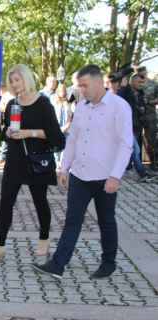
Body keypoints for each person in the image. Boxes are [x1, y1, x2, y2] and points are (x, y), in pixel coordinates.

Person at [31, 64, 133, 280]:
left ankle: (108, 263)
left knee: (106, 220)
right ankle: (58, 264)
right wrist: (65, 167)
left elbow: (126, 144)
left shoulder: (119, 106)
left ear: (98, 82)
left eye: (85, 85)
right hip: (80, 174)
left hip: (106, 176)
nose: (81, 90)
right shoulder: (82, 107)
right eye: (79, 86)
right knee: (72, 220)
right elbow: (74, 140)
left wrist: (116, 175)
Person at [0, 64, 65, 264]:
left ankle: (44, 240)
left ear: (26, 79)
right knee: (5, 204)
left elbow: (57, 137)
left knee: (40, 203)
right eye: (11, 81)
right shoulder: (12, 103)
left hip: (35, 162)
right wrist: (6, 133)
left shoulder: (44, 103)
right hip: (14, 161)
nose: (14, 84)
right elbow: (6, 132)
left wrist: (30, 133)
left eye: (17, 80)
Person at [116, 74, 156, 182]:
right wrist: (123, 86)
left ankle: (142, 173)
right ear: (132, 82)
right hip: (123, 124)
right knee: (135, 149)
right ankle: (142, 173)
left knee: (133, 149)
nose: (141, 85)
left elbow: (142, 105)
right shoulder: (126, 91)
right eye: (139, 82)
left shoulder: (141, 93)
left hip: (133, 124)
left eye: (142, 83)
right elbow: (118, 99)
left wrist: (142, 109)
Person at [137, 66, 158, 170]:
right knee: (137, 139)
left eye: (144, 74)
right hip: (138, 116)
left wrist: (149, 102)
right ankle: (138, 163)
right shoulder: (135, 85)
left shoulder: (154, 85)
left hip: (150, 116)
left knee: (151, 139)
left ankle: (153, 162)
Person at [51, 84, 72, 169]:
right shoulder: (53, 102)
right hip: (56, 127)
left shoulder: (68, 103)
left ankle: (62, 161)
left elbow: (70, 118)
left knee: (65, 145)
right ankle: (56, 161)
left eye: (64, 91)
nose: (62, 93)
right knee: (56, 145)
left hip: (66, 127)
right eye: (61, 91)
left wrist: (66, 127)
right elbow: (51, 116)